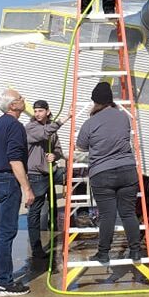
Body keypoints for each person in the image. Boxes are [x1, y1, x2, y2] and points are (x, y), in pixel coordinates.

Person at [76, 81, 142, 265]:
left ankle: (103, 253)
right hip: (127, 170)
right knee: (128, 213)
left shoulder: (90, 123)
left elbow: (81, 146)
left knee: (107, 216)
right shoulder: (123, 117)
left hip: (102, 173)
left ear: (95, 101)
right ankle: (135, 251)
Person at [0, 89, 34, 297]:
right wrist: (27, 187)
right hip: (7, 179)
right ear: (13, 105)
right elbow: (14, 159)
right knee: (6, 231)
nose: (24, 100)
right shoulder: (14, 126)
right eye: (20, 98)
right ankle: (4, 282)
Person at [25, 100, 70, 260]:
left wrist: (55, 155)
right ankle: (36, 248)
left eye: (40, 111)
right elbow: (44, 133)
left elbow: (58, 149)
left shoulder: (51, 128)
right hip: (36, 174)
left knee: (73, 178)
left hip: (50, 171)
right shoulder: (31, 127)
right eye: (35, 111)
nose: (37, 114)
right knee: (35, 211)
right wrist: (63, 119)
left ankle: (75, 219)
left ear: (47, 112)